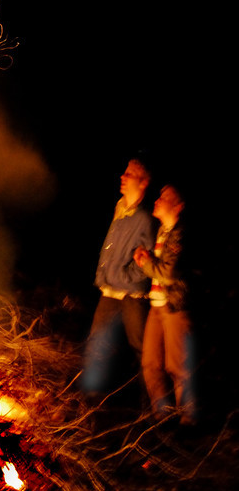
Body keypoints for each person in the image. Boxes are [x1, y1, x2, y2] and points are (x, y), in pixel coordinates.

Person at [82, 158, 157, 395]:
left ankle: (154, 405)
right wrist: (105, 275)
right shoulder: (121, 208)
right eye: (124, 173)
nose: (123, 177)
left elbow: (147, 260)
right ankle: (90, 397)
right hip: (110, 290)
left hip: (132, 294)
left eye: (129, 174)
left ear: (143, 183)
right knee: (97, 343)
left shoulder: (145, 218)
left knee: (141, 348)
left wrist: (124, 276)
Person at [134, 184, 198, 426]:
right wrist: (147, 258)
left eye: (165, 197)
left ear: (178, 207)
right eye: (159, 196)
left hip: (174, 307)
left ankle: (189, 418)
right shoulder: (162, 231)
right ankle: (162, 416)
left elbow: (169, 273)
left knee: (177, 365)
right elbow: (159, 267)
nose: (158, 200)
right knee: (150, 363)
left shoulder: (181, 234)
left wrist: (146, 262)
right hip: (156, 305)